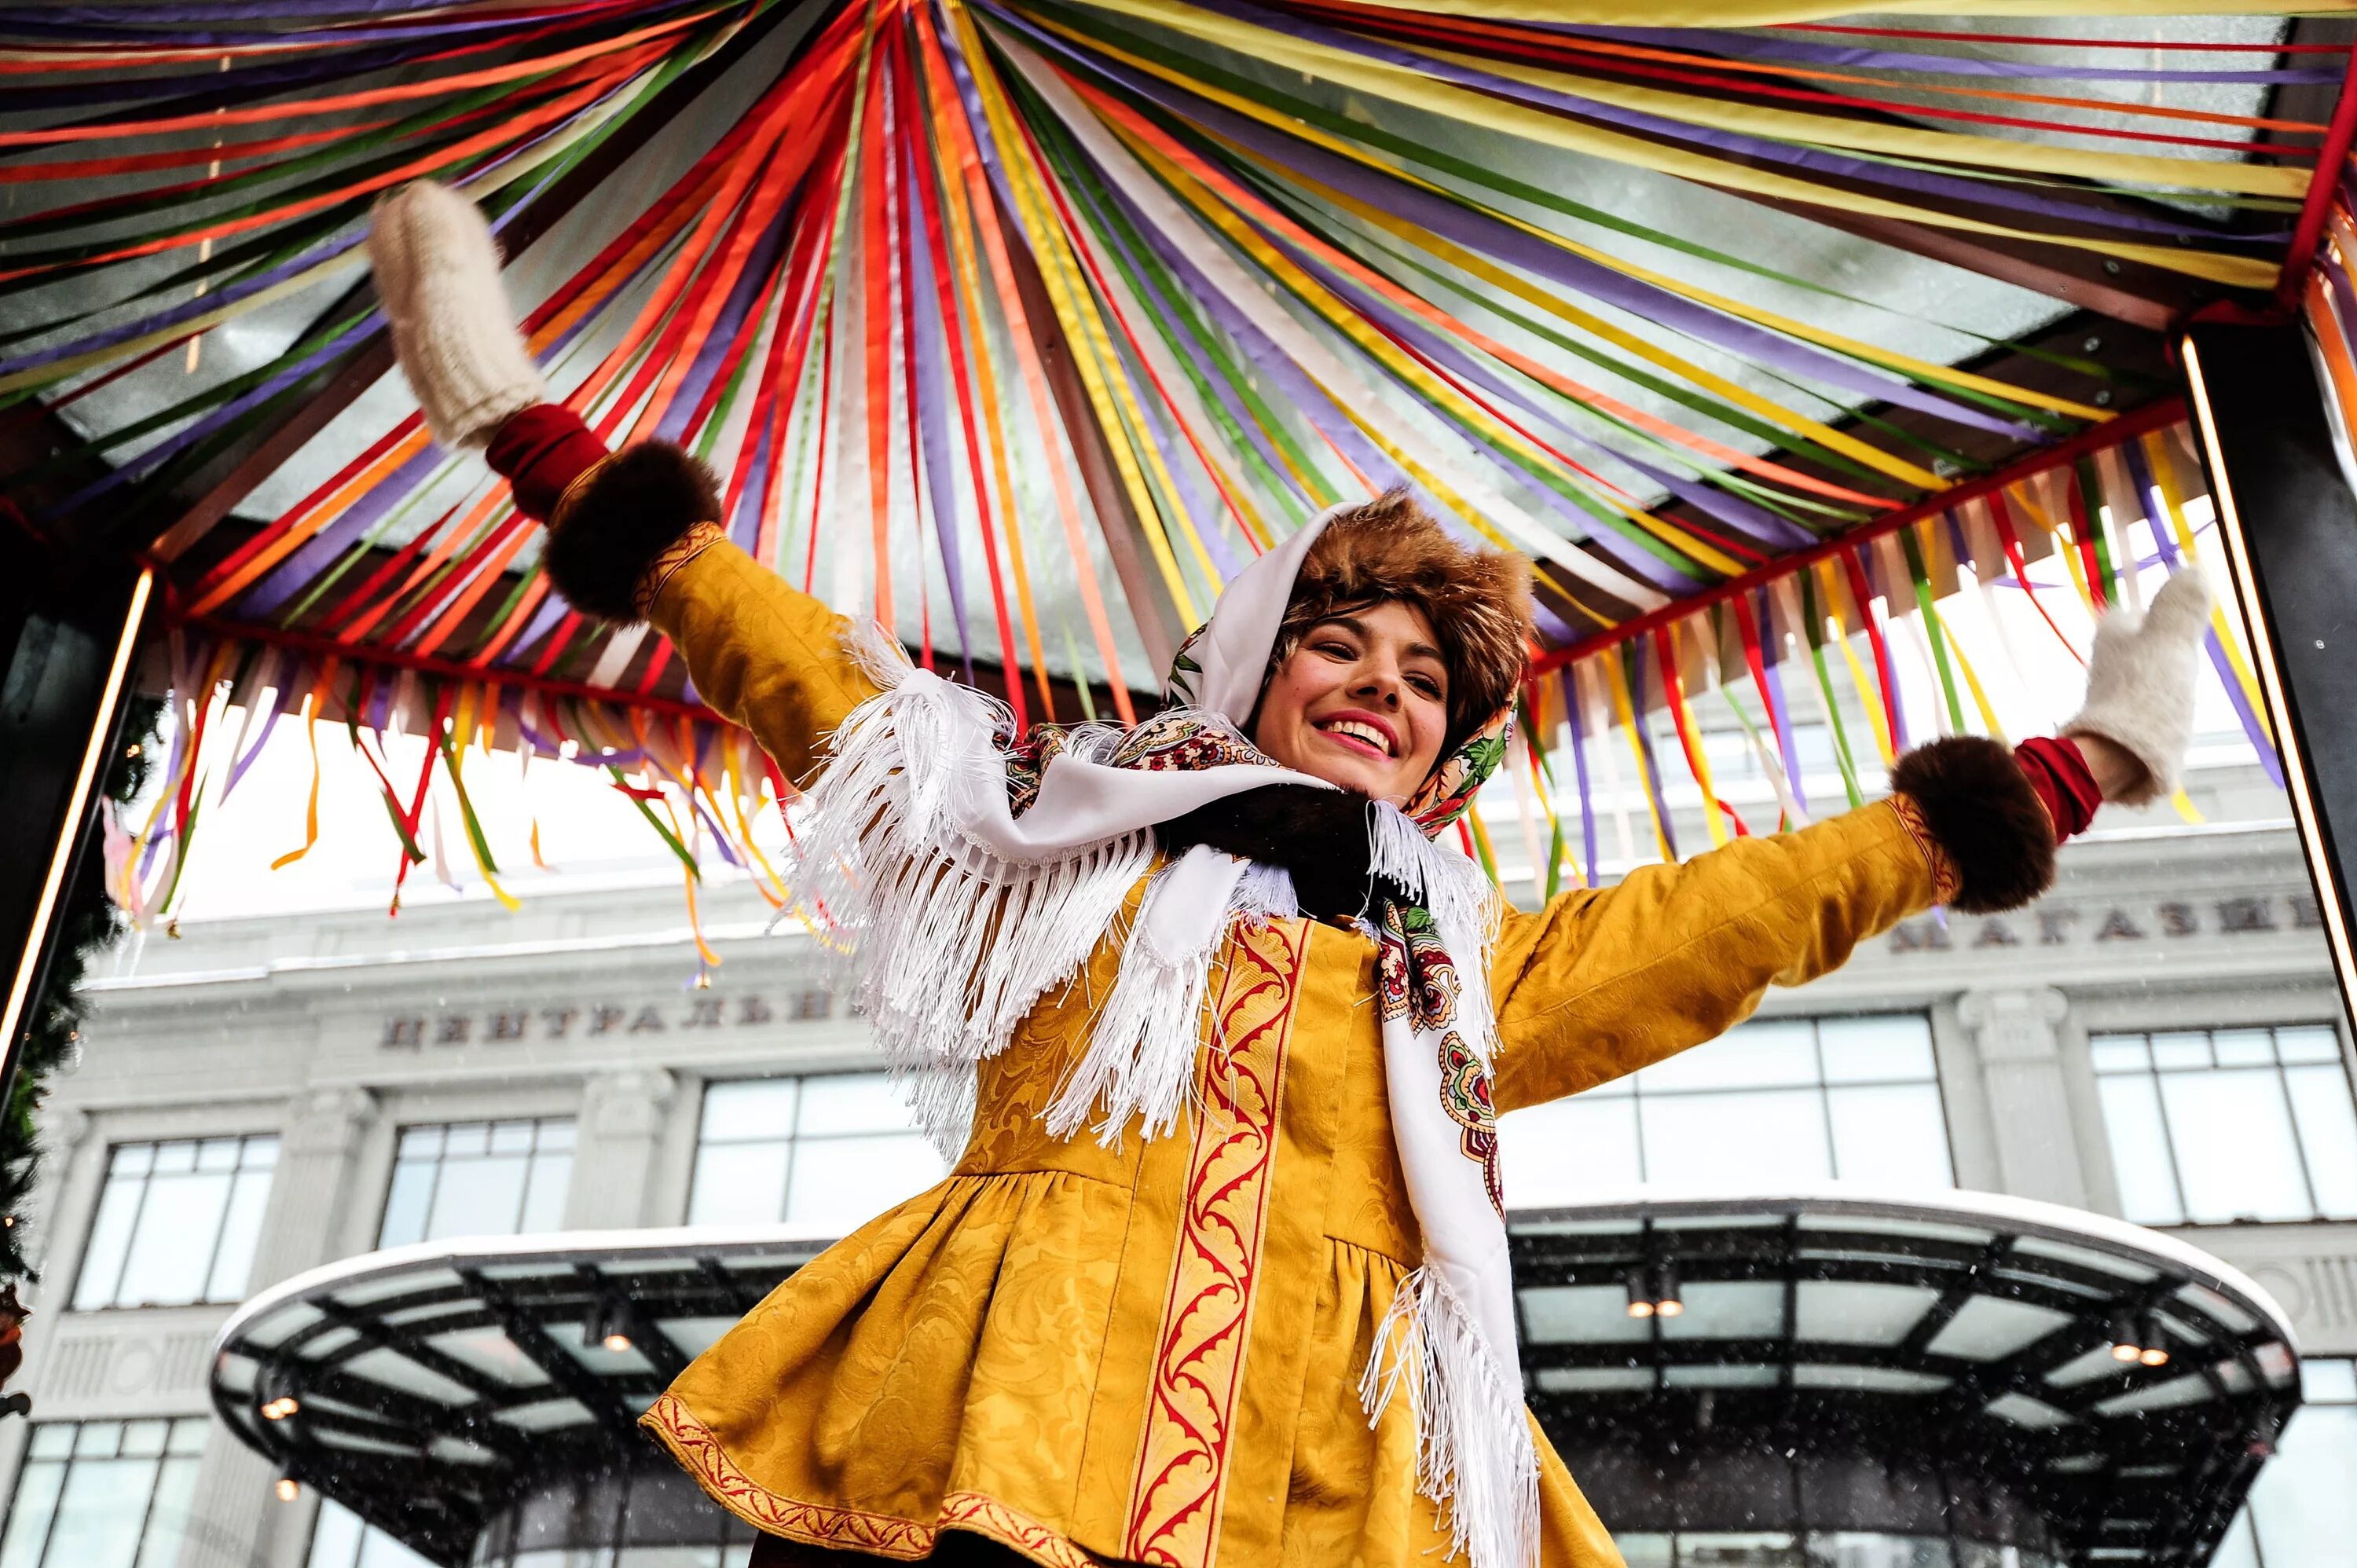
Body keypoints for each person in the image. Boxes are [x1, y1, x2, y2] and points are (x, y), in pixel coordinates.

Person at [368, 182, 2210, 1568]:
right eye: (1347, 649)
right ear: (1252, 669)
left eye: (1426, 682)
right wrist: (534, 441)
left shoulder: (1462, 961)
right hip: (1009, 1396)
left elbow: (1730, 918)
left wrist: (2069, 768)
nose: (1386, 693)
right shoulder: (1049, 834)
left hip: (1336, 1465)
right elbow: (812, 673)